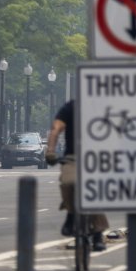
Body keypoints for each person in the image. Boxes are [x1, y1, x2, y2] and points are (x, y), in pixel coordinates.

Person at [45, 100, 108, 252]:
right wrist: (51, 151)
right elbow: (56, 128)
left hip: (97, 157)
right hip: (73, 157)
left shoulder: (104, 107)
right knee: (67, 182)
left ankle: (98, 234)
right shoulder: (71, 107)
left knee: (94, 191)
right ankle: (71, 214)